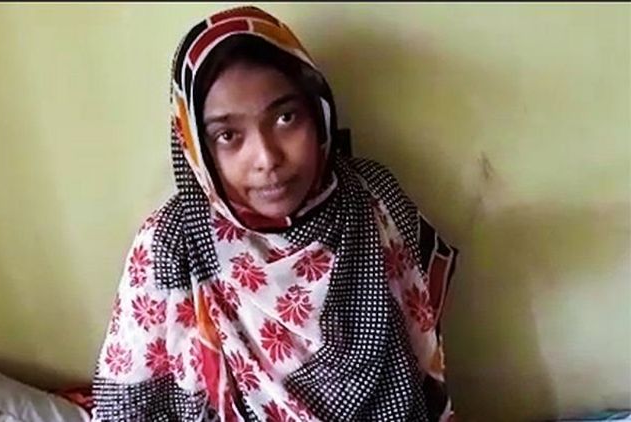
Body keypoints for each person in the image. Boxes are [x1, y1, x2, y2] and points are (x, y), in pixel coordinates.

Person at [91, 6, 459, 421]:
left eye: (286, 118)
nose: (267, 158)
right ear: (196, 146)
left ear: (317, 112)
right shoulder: (172, 242)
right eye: (228, 135)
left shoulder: (373, 198)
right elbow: (126, 406)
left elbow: (423, 356)